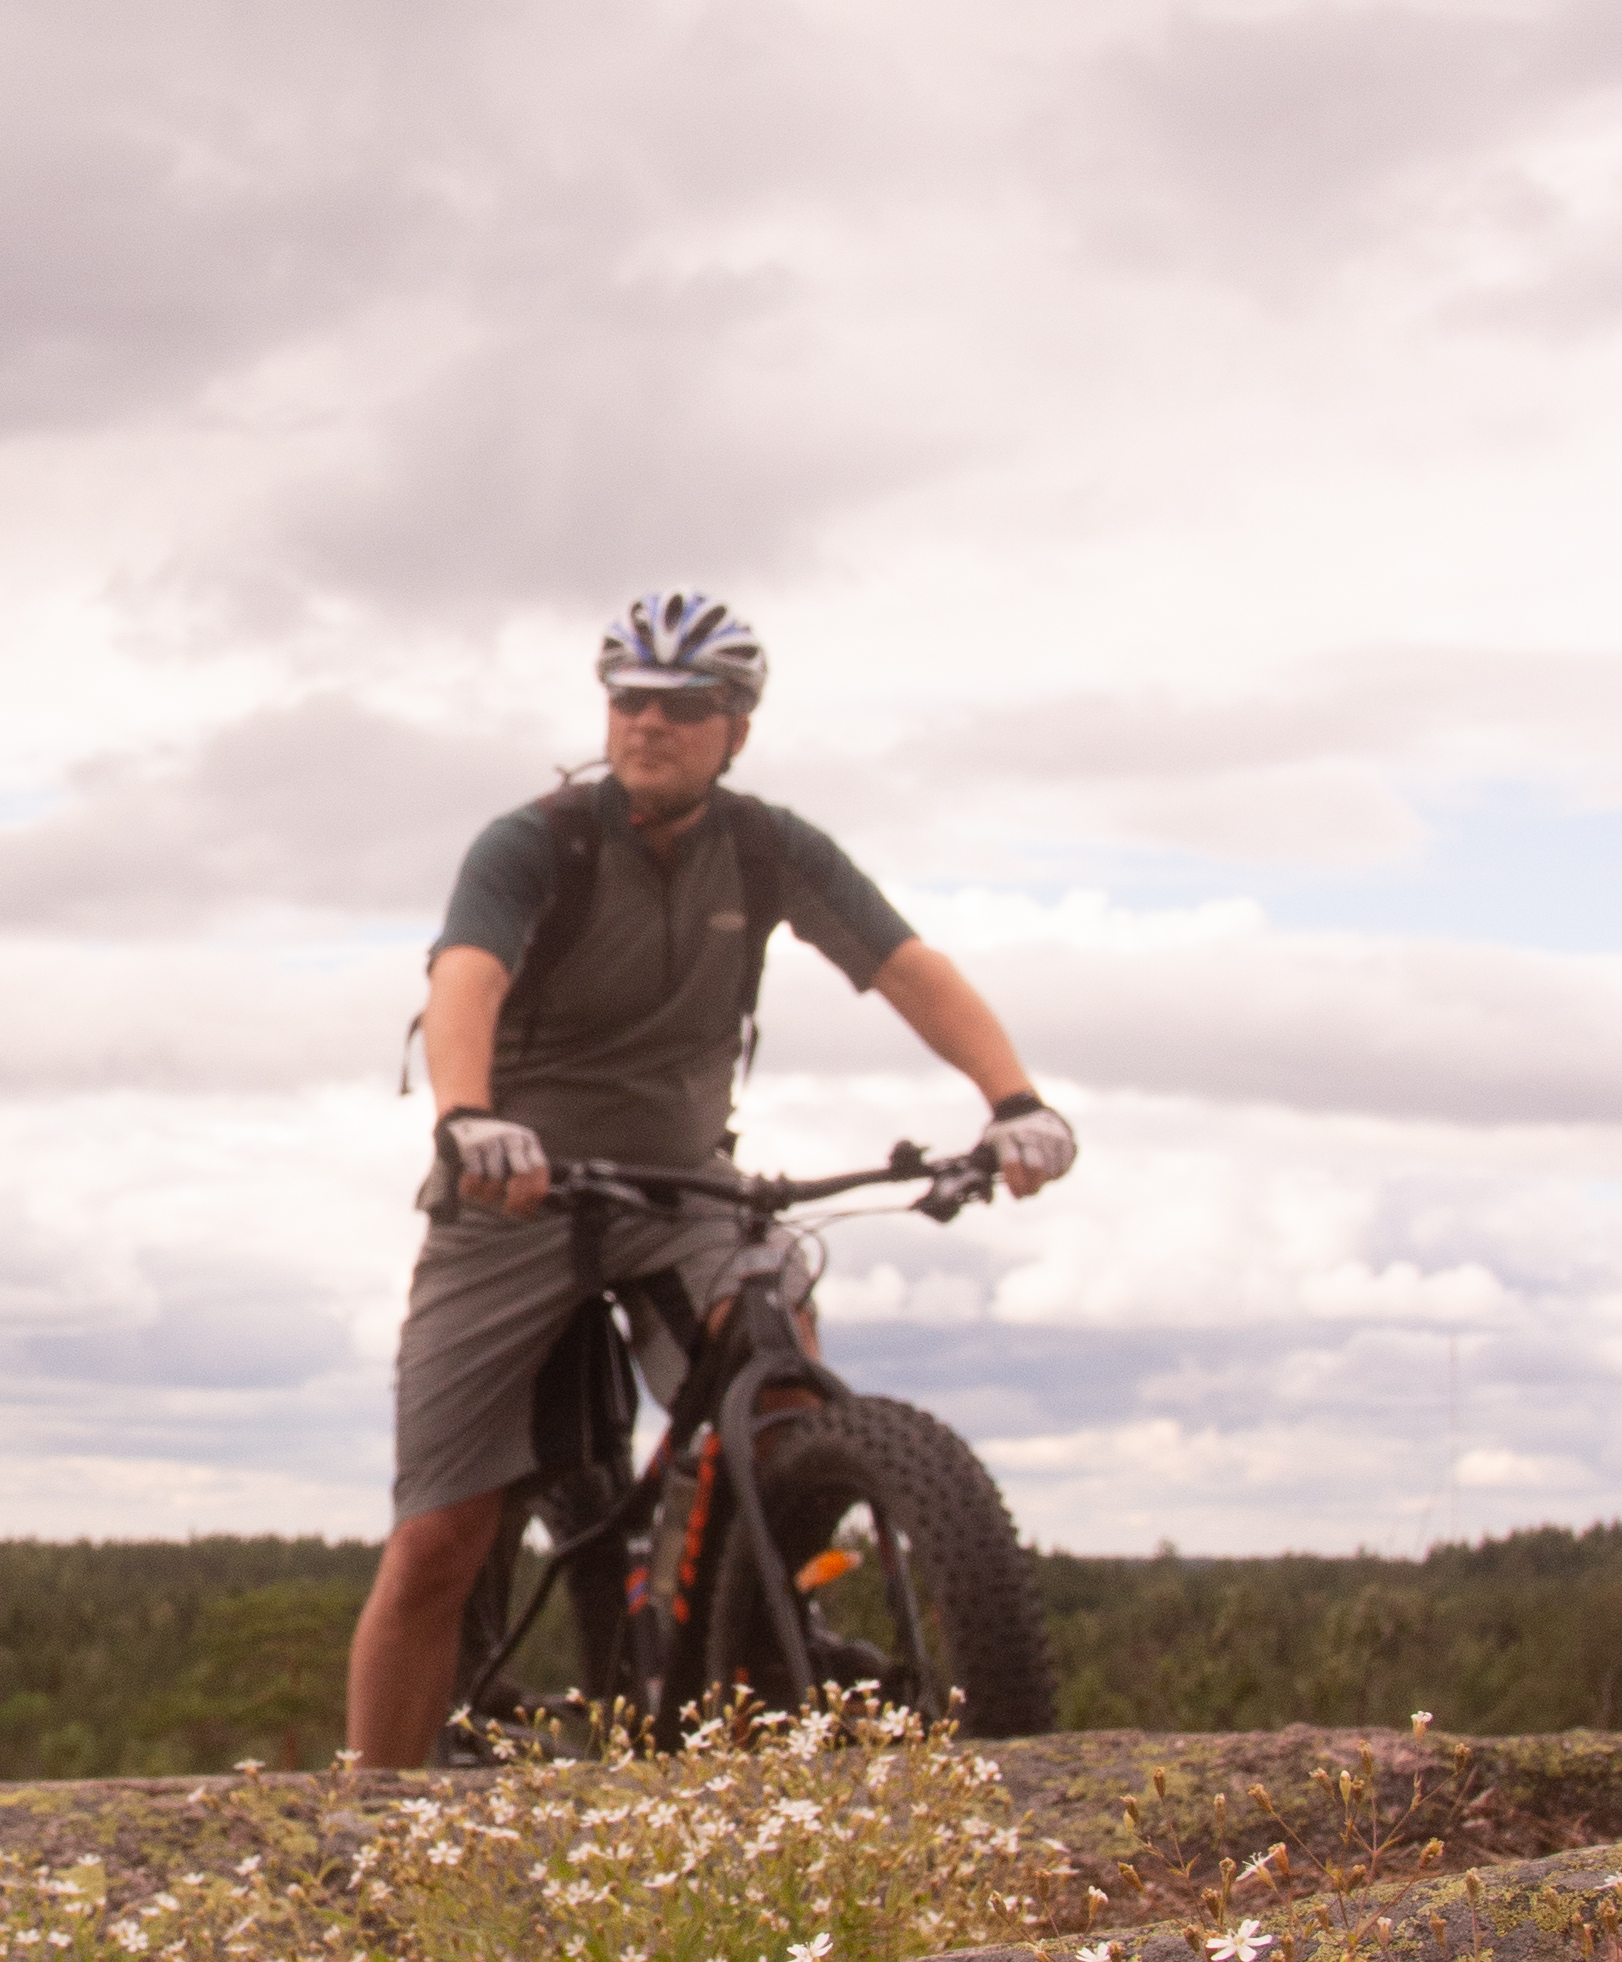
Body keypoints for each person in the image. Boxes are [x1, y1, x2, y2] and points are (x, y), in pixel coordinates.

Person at [343, 589, 1078, 1770]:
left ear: (735, 727)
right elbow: (465, 978)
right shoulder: (538, 841)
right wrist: (470, 1120)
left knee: (782, 1369)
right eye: (630, 701)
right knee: (440, 1535)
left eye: (684, 707)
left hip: (685, 1191)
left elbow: (906, 967)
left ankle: (746, 1618)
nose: (649, 725)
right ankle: (366, 1830)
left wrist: (1015, 1102)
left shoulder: (769, 847)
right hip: (512, 1195)